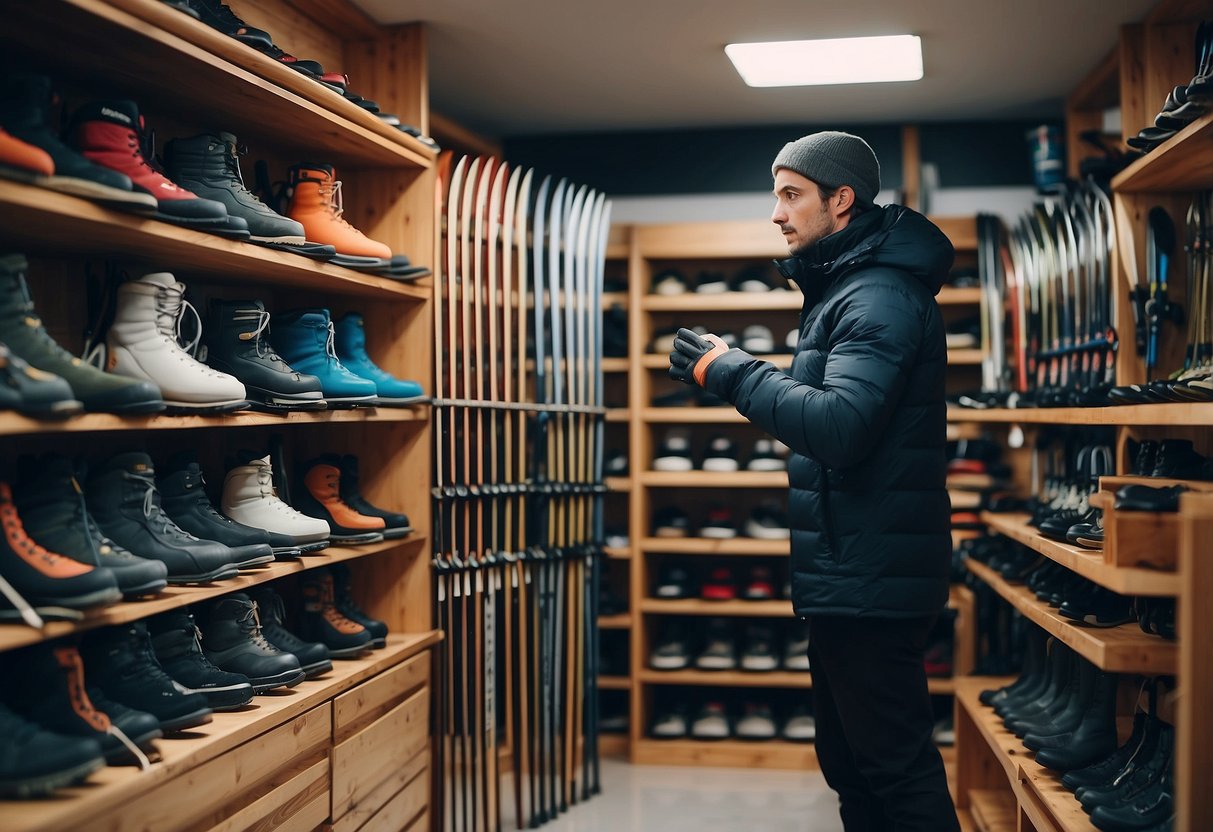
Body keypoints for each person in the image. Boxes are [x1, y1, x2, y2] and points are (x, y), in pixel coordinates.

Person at [668, 130, 960, 832]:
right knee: (855, 767)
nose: (777, 212)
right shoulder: (848, 290)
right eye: (777, 194)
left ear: (840, 199)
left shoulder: (877, 296)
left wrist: (732, 371)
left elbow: (837, 428)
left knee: (892, 769)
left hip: (869, 578)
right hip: (852, 571)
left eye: (791, 194)